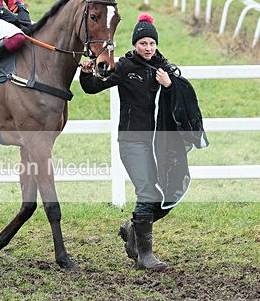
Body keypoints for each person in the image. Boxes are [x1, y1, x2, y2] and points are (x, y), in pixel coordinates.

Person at [80, 13, 208, 271]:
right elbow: (94, 87)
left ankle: (132, 228)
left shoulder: (165, 69)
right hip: (132, 142)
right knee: (148, 191)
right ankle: (144, 256)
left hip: (159, 144)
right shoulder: (125, 67)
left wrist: (170, 85)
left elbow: (184, 98)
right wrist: (86, 74)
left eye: (151, 43)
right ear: (135, 44)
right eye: (143, 44)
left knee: (169, 193)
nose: (148, 48)